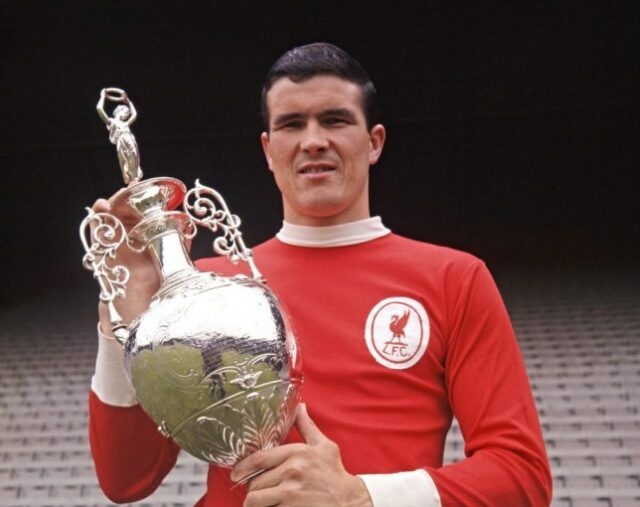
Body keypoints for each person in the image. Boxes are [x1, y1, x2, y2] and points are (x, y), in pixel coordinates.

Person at [89, 43, 552, 506]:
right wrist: (124, 320)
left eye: (335, 120)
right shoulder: (208, 291)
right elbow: (126, 479)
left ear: (374, 142)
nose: (313, 141)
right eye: (292, 124)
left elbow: (522, 477)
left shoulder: (454, 279)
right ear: (269, 150)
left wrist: (361, 496)